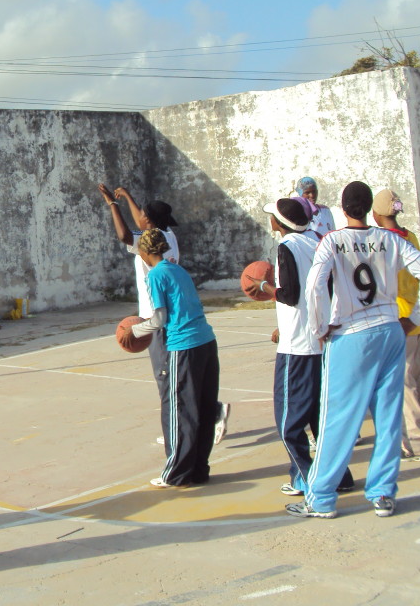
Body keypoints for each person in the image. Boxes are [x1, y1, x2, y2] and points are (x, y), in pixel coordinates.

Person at [286, 182, 420, 520]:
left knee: (337, 418)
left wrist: (320, 327)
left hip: (352, 333)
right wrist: (413, 318)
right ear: (369, 207)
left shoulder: (333, 241)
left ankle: (321, 498)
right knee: (387, 415)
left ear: (342, 208)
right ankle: (383, 493)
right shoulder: (392, 239)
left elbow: (314, 287)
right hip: (389, 330)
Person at [98, 184, 230, 444]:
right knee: (174, 375)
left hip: (157, 317)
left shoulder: (151, 243)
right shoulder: (165, 235)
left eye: (143, 215)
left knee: (165, 377)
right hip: (171, 316)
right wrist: (126, 196)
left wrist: (113, 205)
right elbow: (139, 222)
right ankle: (197, 418)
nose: (139, 217)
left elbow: (125, 234)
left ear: (149, 221)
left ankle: (185, 426)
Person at [258, 198, 354, 497]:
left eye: (271, 218)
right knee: (319, 418)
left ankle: (305, 478)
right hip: (321, 340)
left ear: (279, 223)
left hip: (297, 348)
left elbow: (290, 294)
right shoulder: (317, 241)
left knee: (289, 423)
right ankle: (340, 475)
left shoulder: (287, 246)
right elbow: (326, 288)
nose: (270, 222)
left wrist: (265, 289)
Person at [131, 229, 220, 488]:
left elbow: (159, 319)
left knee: (179, 409)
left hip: (184, 346)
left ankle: (176, 473)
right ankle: (199, 470)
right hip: (206, 341)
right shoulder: (177, 269)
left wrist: (134, 331)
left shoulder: (156, 274)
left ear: (144, 252)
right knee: (203, 409)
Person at [372, 188, 420, 462]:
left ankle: (417, 443)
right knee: (418, 386)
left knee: (404, 387)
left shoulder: (384, 243)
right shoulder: (409, 236)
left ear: (376, 215)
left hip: (399, 321)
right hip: (416, 321)